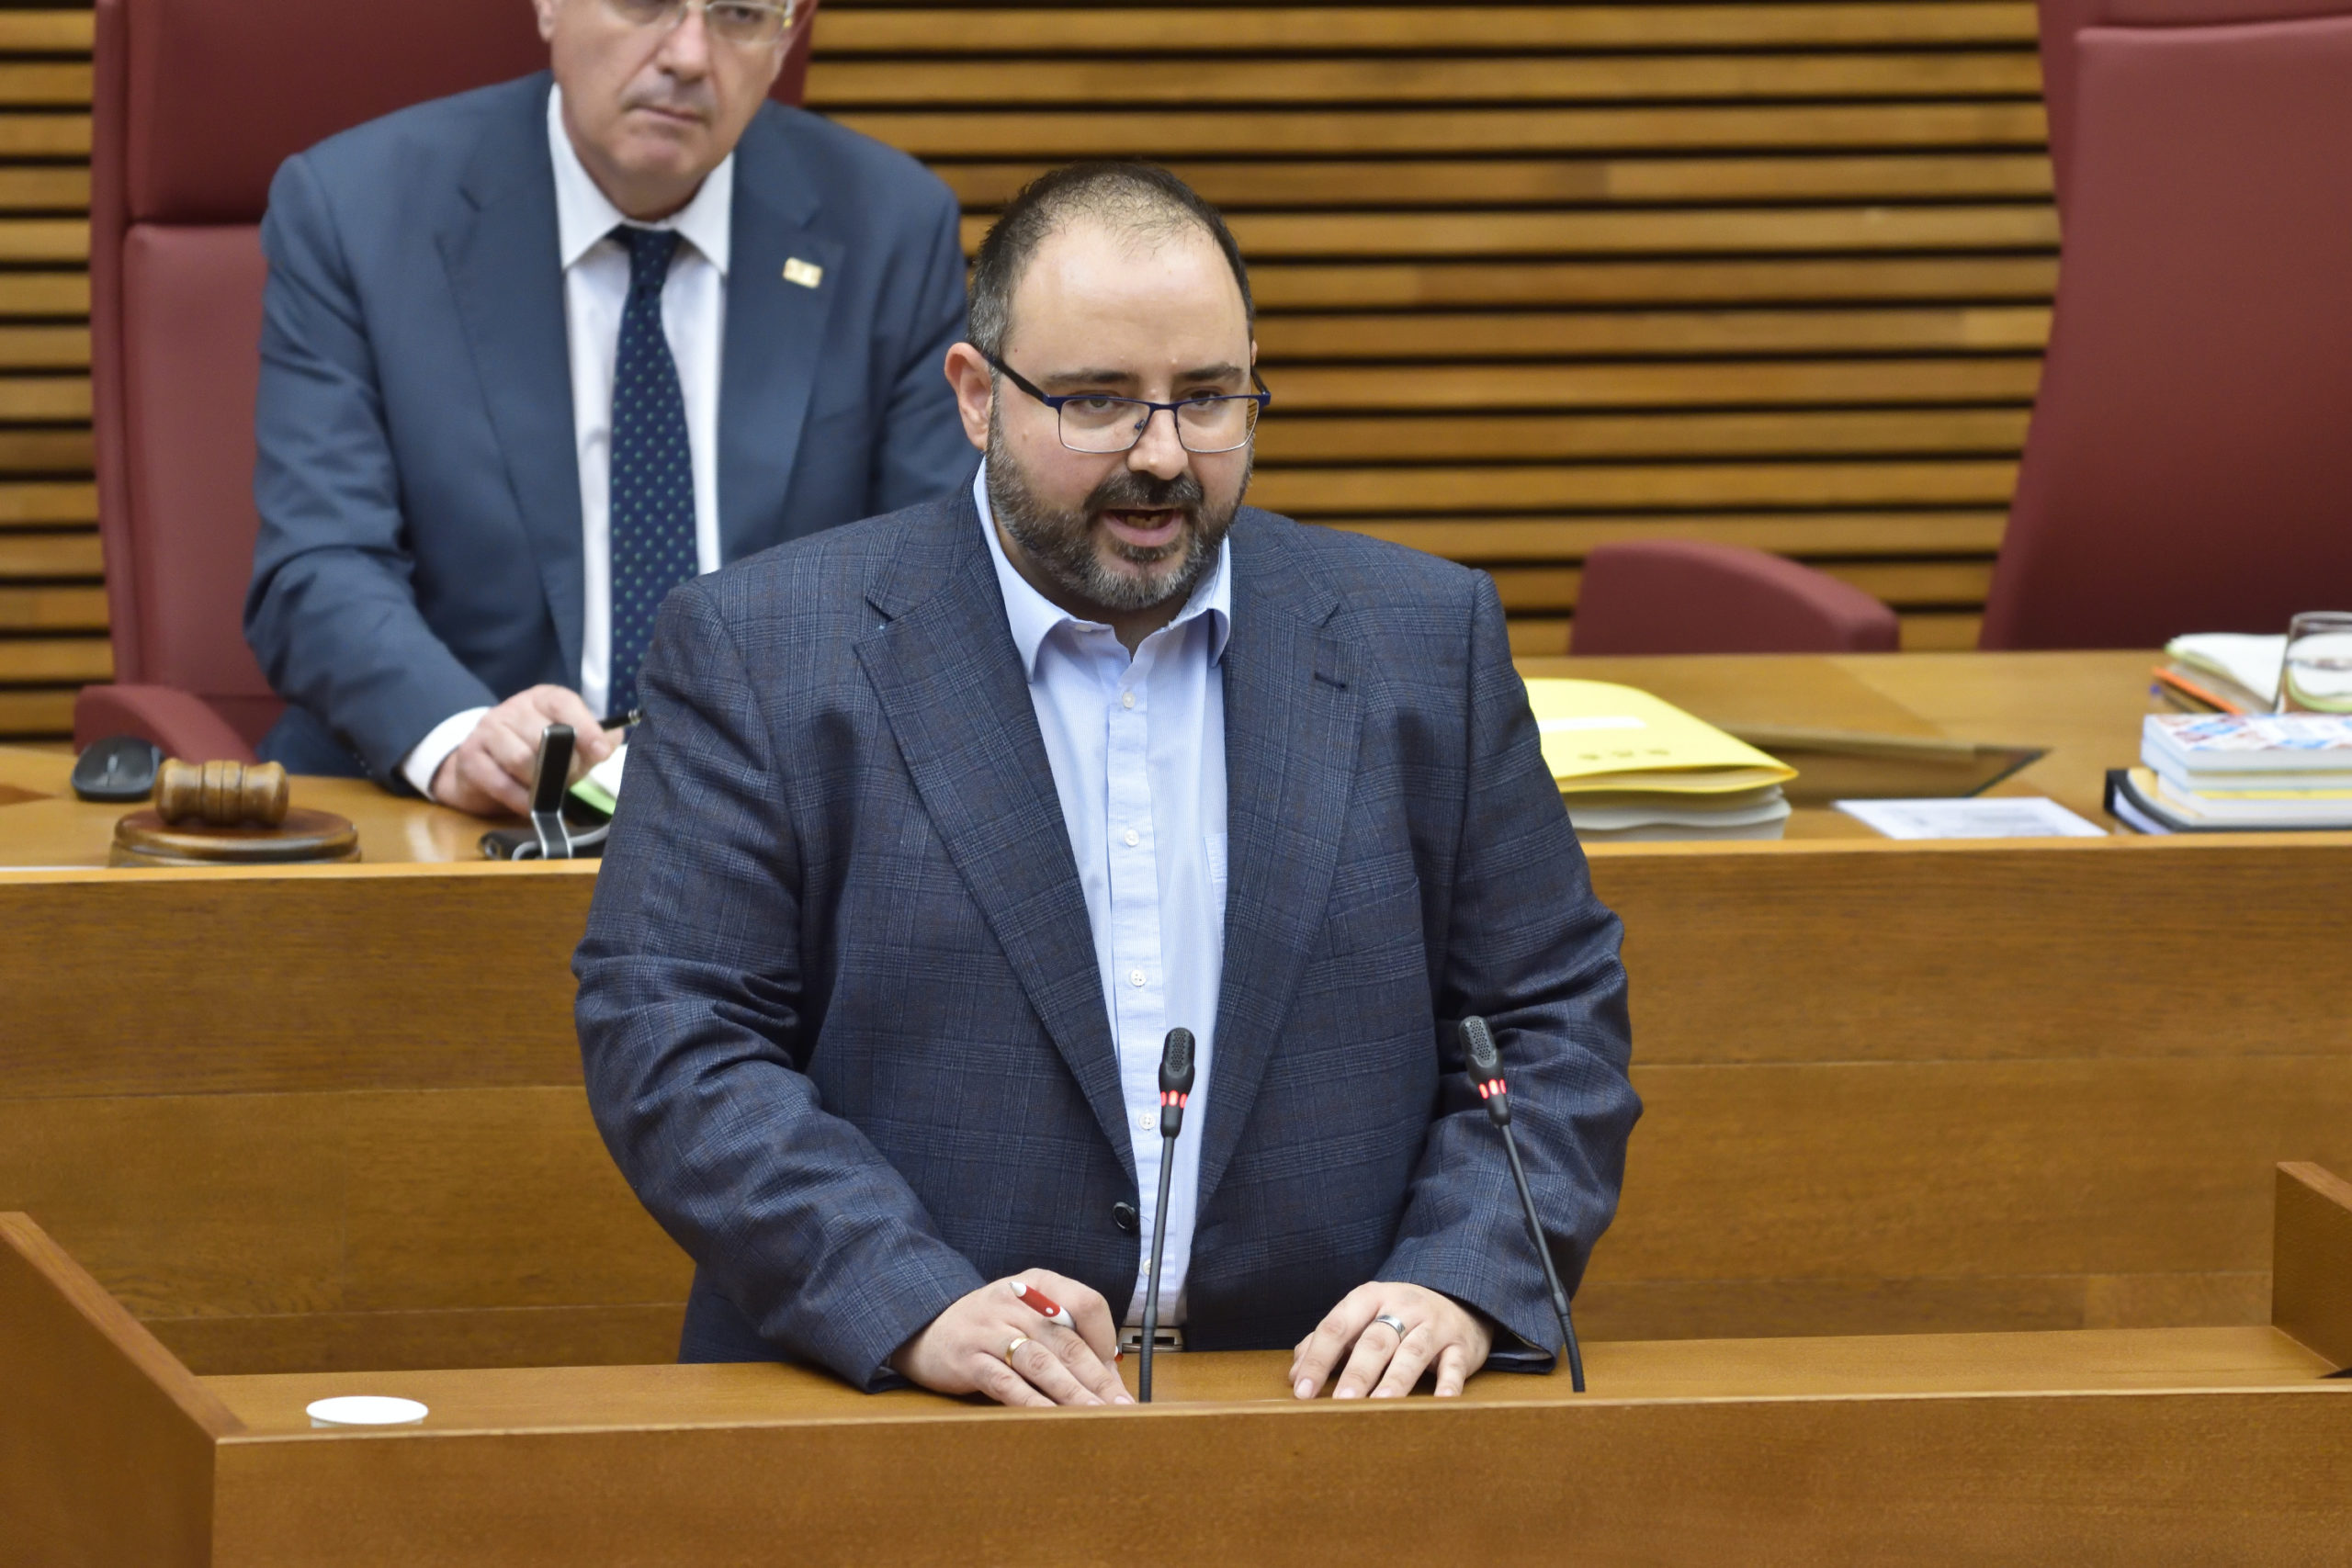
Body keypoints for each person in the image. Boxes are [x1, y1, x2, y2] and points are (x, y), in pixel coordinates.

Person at [574, 163, 1639, 1406]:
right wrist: (906, 1296)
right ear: (975, 398)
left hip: (1321, 1418)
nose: (1163, 455)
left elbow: (1550, 1014)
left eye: (1209, 399)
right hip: (902, 1415)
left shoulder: (1423, 635)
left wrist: (1463, 1273)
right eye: (1097, 403)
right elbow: (677, 1034)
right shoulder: (761, 647)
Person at [245, 0, 974, 815]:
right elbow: (319, 564)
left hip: (774, 825)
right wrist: (460, 734)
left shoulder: (889, 228)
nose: (690, 56)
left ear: (787, 37)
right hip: (451, 825)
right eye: (646, 4)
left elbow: (929, 587)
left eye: (738, 13)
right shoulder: (358, 210)